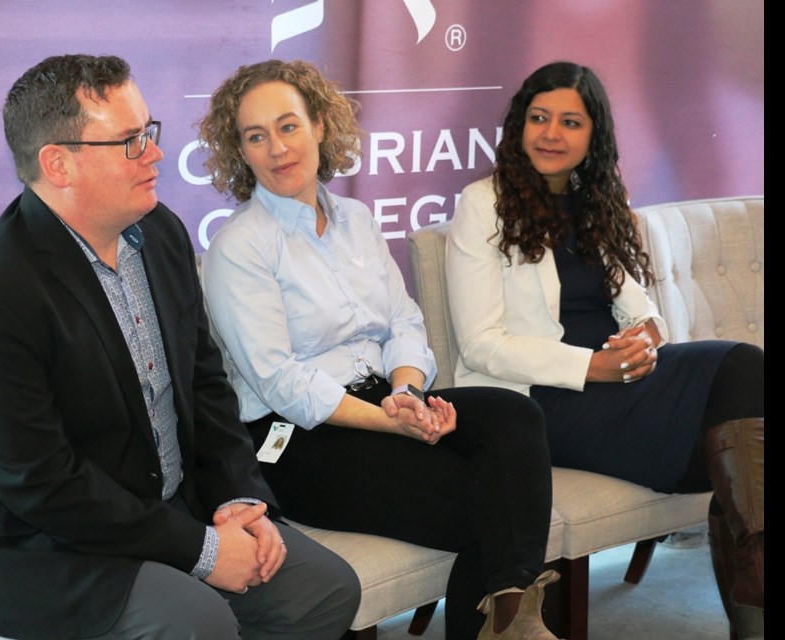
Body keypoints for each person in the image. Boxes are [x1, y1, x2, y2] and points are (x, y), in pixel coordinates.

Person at [0, 54, 360, 640]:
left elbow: (205, 382)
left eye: (149, 132)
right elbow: (41, 484)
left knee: (324, 589)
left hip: (165, 506)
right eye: (129, 141)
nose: (154, 153)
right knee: (197, 621)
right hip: (36, 546)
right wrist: (204, 550)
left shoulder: (161, 234)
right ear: (58, 164)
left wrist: (235, 497)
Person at [199, 59, 558, 640]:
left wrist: (408, 393)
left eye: (288, 126)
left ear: (319, 125)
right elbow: (281, 382)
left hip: (382, 400)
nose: (276, 148)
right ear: (239, 150)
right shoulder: (239, 247)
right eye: (255, 136)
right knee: (492, 509)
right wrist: (393, 423)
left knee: (515, 413)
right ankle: (515, 620)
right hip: (295, 440)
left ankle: (513, 615)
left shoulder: (359, 220)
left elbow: (403, 324)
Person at [445, 61, 764, 639]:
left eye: (570, 122)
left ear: (594, 136)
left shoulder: (595, 201)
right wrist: (593, 366)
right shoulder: (481, 204)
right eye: (538, 118)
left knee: (744, 373)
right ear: (518, 126)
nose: (550, 133)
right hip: (540, 398)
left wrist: (646, 336)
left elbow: (638, 304)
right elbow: (480, 344)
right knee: (737, 446)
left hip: (619, 381)